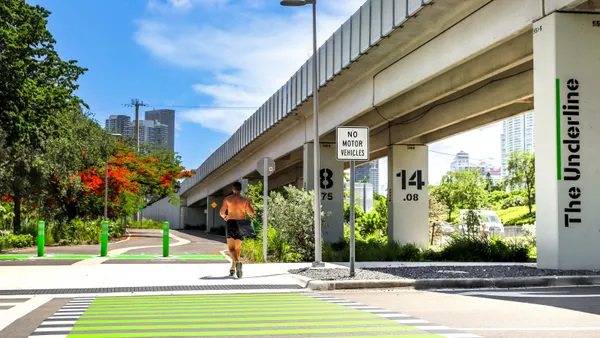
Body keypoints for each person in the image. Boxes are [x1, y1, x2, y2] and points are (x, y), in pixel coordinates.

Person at [220, 181, 255, 278]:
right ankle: (233, 267)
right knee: (237, 248)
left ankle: (237, 262)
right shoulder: (245, 200)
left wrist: (225, 217)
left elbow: (222, 212)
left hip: (231, 223)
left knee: (231, 248)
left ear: (233, 189)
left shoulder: (227, 199)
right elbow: (251, 213)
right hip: (241, 224)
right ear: (241, 189)